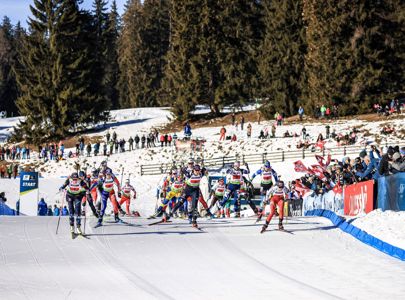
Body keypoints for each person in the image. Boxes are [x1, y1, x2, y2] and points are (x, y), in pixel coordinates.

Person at [59, 172, 90, 237]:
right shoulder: (69, 180)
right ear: (71, 178)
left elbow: (86, 187)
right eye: (74, 179)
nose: (75, 180)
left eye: (76, 179)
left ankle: (78, 228)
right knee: (71, 211)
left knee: (78, 211)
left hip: (77, 196)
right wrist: (61, 188)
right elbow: (63, 185)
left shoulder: (80, 181)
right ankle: (72, 228)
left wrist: (87, 190)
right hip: (70, 196)